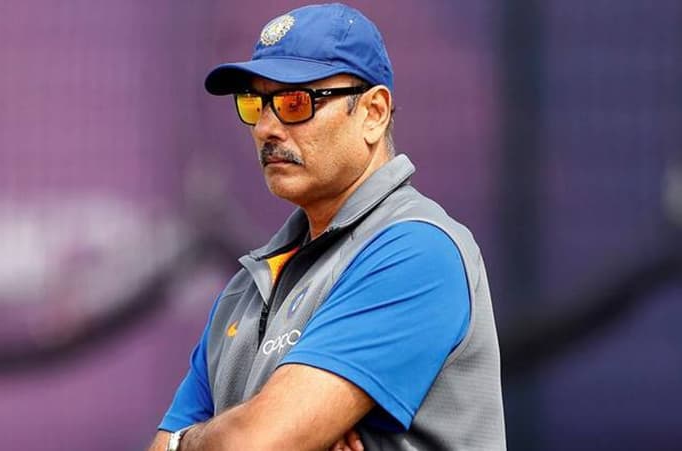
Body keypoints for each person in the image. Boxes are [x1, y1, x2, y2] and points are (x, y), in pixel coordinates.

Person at [148, 3, 505, 450]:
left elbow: (256, 444)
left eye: (295, 102)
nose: (265, 127)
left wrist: (190, 441)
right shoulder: (244, 290)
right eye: (255, 103)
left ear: (373, 113)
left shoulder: (417, 251)